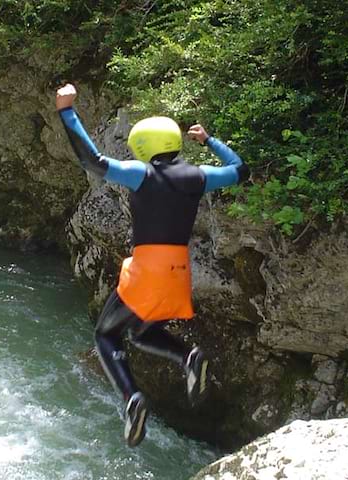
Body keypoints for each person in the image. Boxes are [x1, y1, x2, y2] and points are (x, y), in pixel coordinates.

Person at [56, 83, 249, 447]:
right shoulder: (199, 176)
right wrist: (210, 141)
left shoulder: (142, 174)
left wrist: (67, 111)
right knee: (140, 333)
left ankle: (132, 398)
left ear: (144, 146)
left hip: (147, 271)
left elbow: (92, 161)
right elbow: (241, 169)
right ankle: (188, 356)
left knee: (105, 334)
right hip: (178, 273)